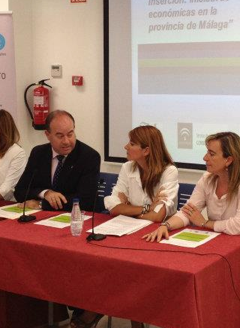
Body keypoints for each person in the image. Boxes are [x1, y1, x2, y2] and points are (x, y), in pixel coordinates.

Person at [74, 126, 178, 328]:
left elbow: (158, 216)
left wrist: (128, 208)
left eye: (131, 144)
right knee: (104, 261)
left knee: (128, 268)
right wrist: (146, 207)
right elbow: (112, 205)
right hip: (127, 230)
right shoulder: (128, 167)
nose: (125, 147)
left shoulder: (169, 171)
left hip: (156, 236)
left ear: (146, 150)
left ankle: (97, 311)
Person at [143, 131, 240, 269]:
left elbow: (239, 227)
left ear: (229, 160)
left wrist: (204, 223)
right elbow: (188, 211)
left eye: (211, 154)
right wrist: (166, 226)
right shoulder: (207, 178)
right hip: (219, 250)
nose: (205, 158)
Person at [14, 110, 101, 211]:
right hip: (40, 216)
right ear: (47, 135)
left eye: (70, 134)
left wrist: (42, 204)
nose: (66, 141)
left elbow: (86, 201)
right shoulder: (38, 153)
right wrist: (45, 193)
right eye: (60, 136)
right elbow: (20, 191)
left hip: (75, 216)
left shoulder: (89, 157)